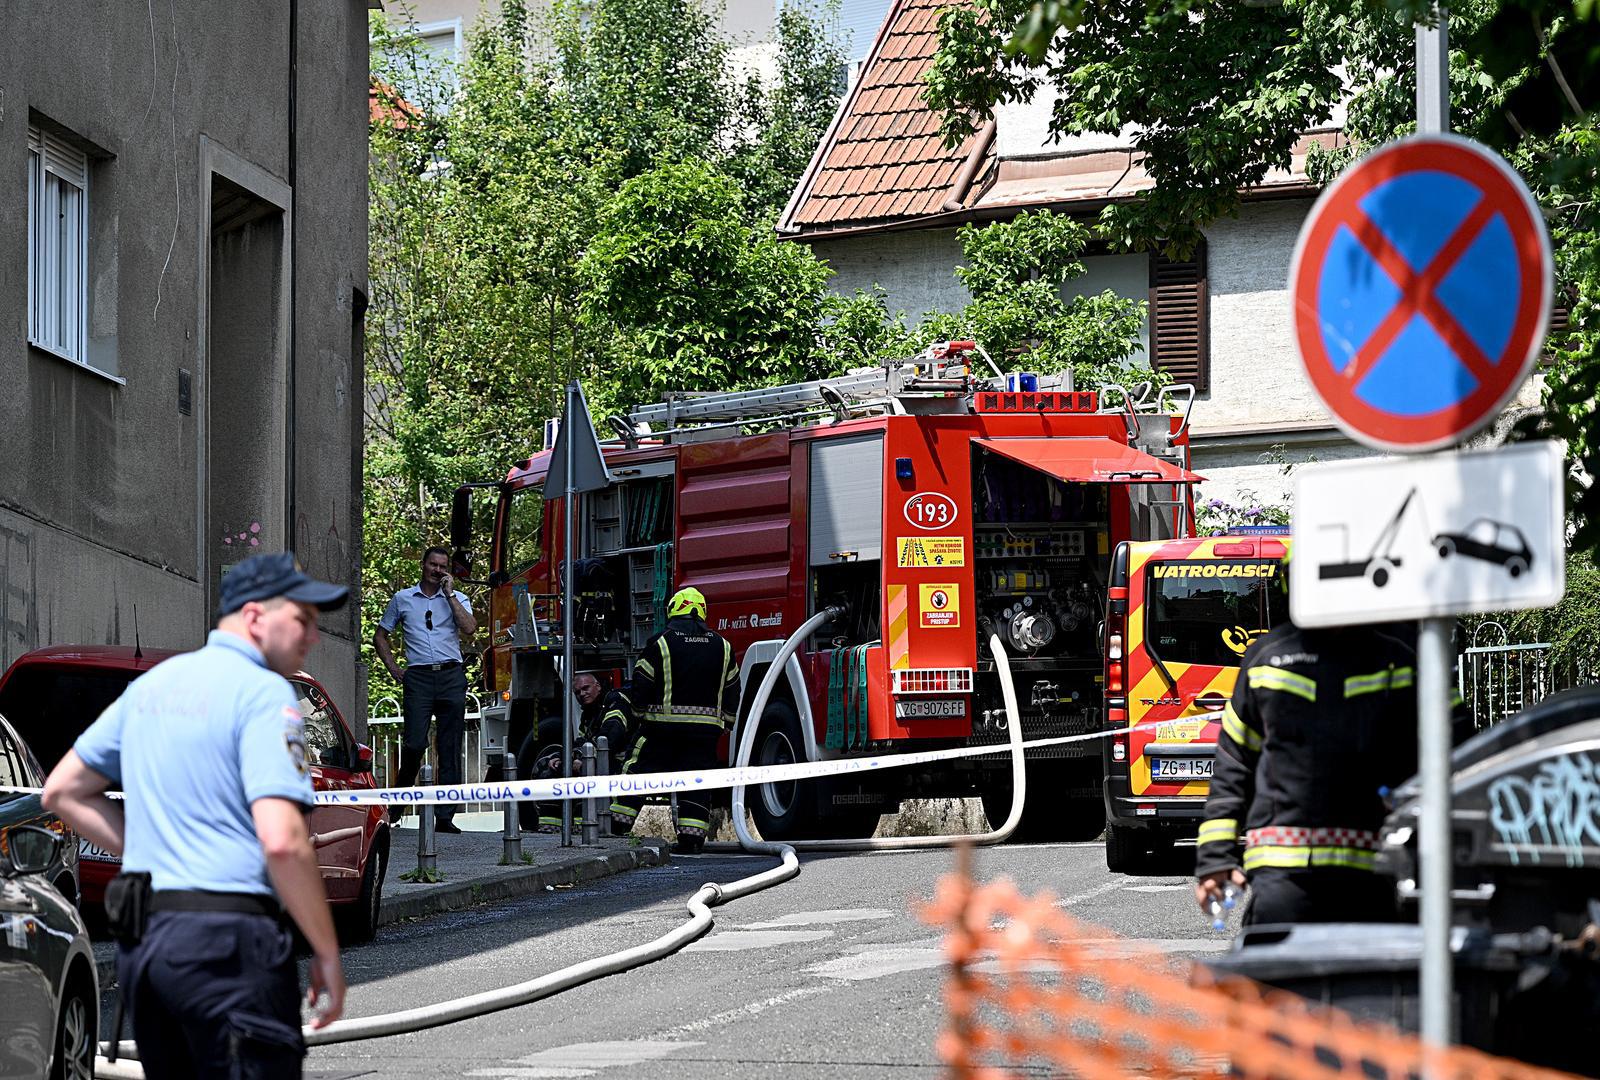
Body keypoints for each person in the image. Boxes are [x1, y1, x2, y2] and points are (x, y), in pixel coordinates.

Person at [42, 552, 350, 1078]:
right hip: (231, 945)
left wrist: (147, 848)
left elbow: (63, 791)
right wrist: (325, 949)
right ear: (255, 617)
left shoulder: (150, 690)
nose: (312, 637)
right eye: (302, 619)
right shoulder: (264, 693)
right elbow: (282, 841)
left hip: (151, 947)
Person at [1195, 605, 1436, 926]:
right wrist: (1215, 857)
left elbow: (1452, 754)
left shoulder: (1268, 656)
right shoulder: (1402, 656)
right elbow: (1234, 764)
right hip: (1324, 873)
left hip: (1362, 874)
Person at [609, 587, 739, 854]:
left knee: (638, 771)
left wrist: (639, 713)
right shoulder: (723, 646)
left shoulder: (661, 643)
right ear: (701, 612)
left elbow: (642, 685)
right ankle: (691, 840)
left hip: (661, 731)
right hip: (704, 735)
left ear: (673, 611)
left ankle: (616, 828)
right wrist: (726, 723)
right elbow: (733, 690)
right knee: (696, 782)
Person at [373, 546, 478, 833]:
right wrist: (394, 669)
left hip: (451, 675)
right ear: (423, 565)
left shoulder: (458, 598)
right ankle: (395, 810)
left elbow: (470, 628)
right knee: (414, 744)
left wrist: (450, 595)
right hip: (418, 677)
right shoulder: (403, 599)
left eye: (443, 566)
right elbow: (380, 636)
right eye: (433, 565)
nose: (438, 570)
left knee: (449, 746)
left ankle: (444, 816)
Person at [518, 671, 632, 832]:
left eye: (586, 688)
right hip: (600, 761)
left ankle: (584, 830)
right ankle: (550, 830)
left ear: (598, 686)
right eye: (577, 692)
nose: (582, 694)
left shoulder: (614, 701)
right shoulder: (589, 713)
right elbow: (580, 742)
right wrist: (562, 757)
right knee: (551, 771)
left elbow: (611, 736)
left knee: (582, 774)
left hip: (622, 763)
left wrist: (582, 760)